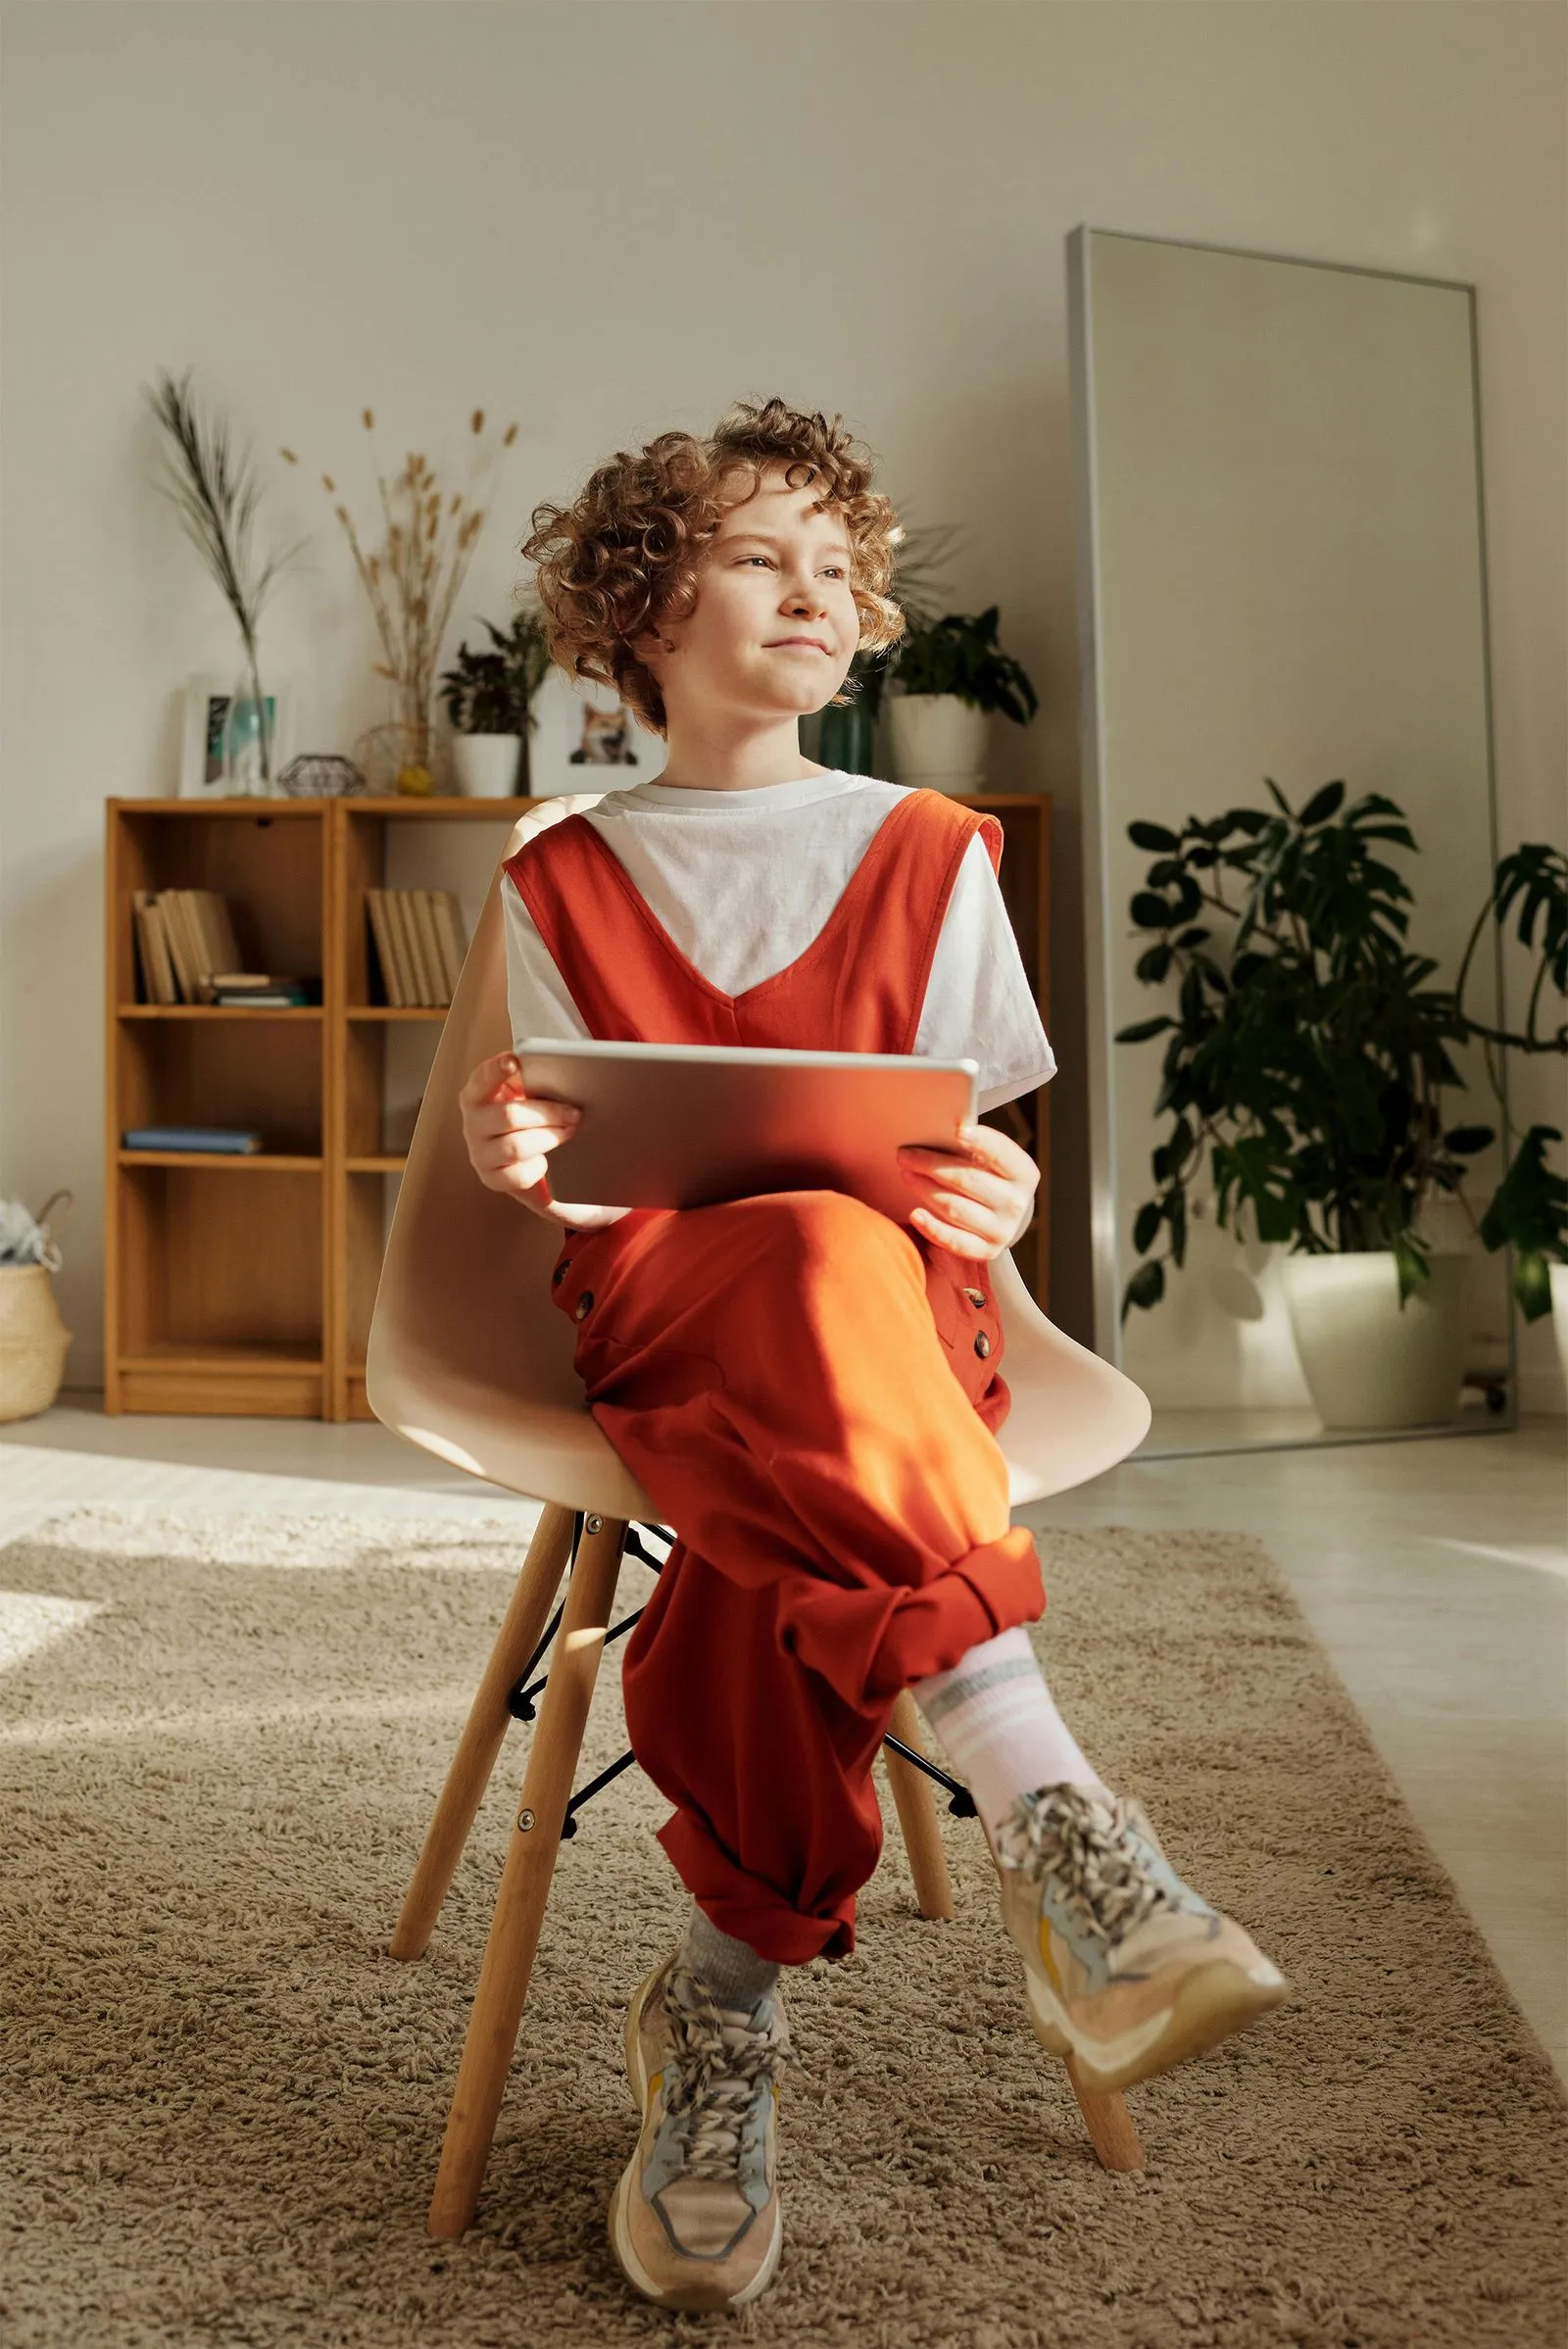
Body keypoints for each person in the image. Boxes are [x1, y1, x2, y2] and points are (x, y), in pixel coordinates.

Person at [459, 398, 1289, 2314]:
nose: (815, 595)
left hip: (896, 1331)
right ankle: (1052, 1817)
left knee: (813, 1349)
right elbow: (578, 1174)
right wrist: (527, 1166)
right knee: (781, 1313)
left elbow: (971, 1143)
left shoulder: (931, 848)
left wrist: (994, 1207)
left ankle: (720, 2013)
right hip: (663, 1309)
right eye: (762, 557)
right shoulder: (555, 876)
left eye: (840, 567)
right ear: (639, 603)